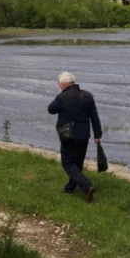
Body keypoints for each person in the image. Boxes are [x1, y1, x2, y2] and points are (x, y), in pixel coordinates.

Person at [48, 71, 102, 203]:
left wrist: (61, 93)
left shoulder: (63, 97)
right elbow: (94, 117)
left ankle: (87, 186)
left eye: (59, 84)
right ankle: (70, 188)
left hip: (68, 135)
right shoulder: (87, 95)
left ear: (62, 84)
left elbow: (51, 109)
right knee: (78, 162)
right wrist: (97, 134)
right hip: (84, 135)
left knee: (67, 163)